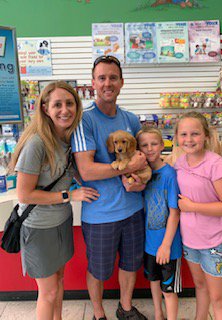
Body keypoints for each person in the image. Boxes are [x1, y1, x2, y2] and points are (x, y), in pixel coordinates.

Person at [10, 81, 99, 320]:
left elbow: (80, 173)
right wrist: (69, 195)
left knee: (59, 282)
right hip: (39, 228)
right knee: (48, 292)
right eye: (57, 104)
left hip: (61, 222)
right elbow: (24, 194)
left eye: (69, 103)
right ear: (45, 109)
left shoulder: (69, 140)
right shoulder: (37, 144)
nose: (64, 110)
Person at [71, 55, 148, 320]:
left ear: (121, 82)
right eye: (102, 78)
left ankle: (125, 308)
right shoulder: (85, 120)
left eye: (113, 77)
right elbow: (87, 169)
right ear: (93, 83)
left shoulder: (130, 119)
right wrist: (127, 168)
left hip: (134, 210)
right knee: (99, 269)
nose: (107, 83)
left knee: (130, 264)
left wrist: (142, 180)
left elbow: (143, 159)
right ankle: (98, 313)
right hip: (101, 214)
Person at [173, 111, 222, 320]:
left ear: (206, 136)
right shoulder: (179, 163)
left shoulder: (215, 163)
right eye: (183, 134)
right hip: (191, 242)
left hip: (216, 243)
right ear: (176, 137)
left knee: (219, 299)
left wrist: (193, 206)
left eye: (195, 134)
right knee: (200, 288)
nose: (189, 140)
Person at [137, 127, 182, 320]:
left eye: (154, 144)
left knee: (169, 289)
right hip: (149, 244)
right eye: (144, 145)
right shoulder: (139, 176)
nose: (149, 149)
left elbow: (174, 213)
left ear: (163, 145)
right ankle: (158, 314)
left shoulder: (170, 175)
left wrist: (165, 245)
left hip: (168, 247)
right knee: (153, 281)